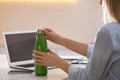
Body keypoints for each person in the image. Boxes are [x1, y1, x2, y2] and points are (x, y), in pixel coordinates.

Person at [33, 0, 120, 80]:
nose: (100, 2)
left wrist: (58, 62)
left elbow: (87, 78)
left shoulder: (108, 32)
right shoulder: (114, 31)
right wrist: (61, 40)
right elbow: (101, 52)